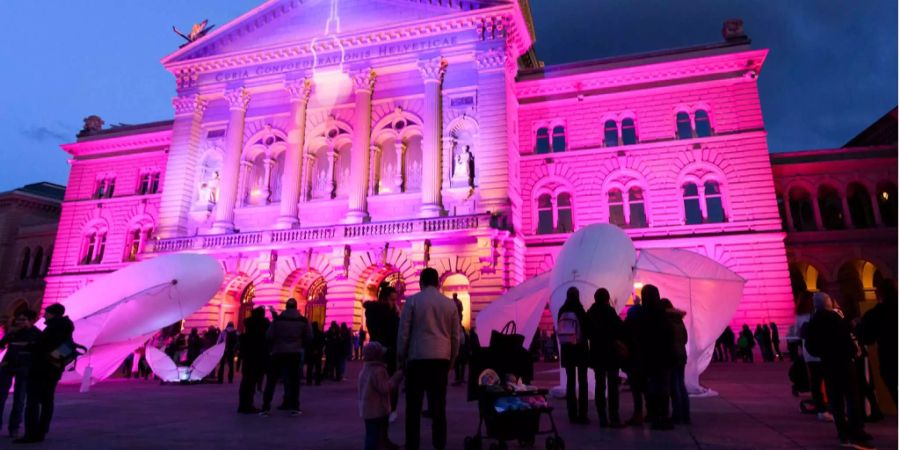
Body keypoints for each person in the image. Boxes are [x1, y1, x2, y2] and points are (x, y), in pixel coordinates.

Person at [397, 268, 460, 450]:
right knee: (439, 408)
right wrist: (452, 360)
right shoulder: (450, 305)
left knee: (413, 408)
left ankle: (412, 444)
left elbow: (404, 333)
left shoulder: (412, 301)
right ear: (438, 283)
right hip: (440, 360)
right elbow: (455, 337)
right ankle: (439, 444)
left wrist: (401, 357)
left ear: (420, 283)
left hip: (417, 359)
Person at [805, 292, 874, 450]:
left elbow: (811, 346)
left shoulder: (813, 321)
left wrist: (823, 353)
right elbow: (847, 338)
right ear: (829, 303)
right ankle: (855, 433)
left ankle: (843, 433)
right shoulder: (835, 318)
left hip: (827, 364)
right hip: (843, 362)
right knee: (852, 398)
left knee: (836, 401)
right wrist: (852, 353)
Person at [16, 303, 74, 443]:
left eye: (46, 312)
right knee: (47, 401)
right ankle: (41, 431)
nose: (44, 315)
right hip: (54, 369)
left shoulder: (53, 328)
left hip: (41, 369)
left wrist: (30, 347)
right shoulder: (66, 326)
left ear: (52, 314)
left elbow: (43, 347)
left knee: (33, 402)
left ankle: (31, 433)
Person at [260, 299, 312, 417]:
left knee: (271, 381)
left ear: (286, 307)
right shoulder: (303, 320)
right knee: (294, 381)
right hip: (295, 352)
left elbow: (269, 335)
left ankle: (265, 407)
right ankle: (295, 407)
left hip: (278, 352)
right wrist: (299, 343)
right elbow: (309, 336)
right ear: (296, 307)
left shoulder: (278, 320)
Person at [635, 284, 675, 430]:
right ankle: (663, 416)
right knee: (663, 387)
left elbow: (638, 337)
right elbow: (670, 335)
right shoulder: (662, 314)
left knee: (651, 387)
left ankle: (654, 415)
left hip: (648, 358)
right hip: (663, 357)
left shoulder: (642, 315)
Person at [586, 288, 625, 428]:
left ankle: (602, 416)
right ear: (607, 298)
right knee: (613, 386)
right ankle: (614, 416)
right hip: (611, 354)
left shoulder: (590, 313)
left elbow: (587, 333)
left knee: (600, 385)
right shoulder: (610, 312)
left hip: (597, 354)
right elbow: (620, 329)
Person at [856, 278, 898, 405]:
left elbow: (867, 338)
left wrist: (858, 326)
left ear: (879, 293)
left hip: (890, 358)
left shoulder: (877, 313)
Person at [0, 310, 40, 439]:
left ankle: (14, 428)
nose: (20, 322)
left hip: (24, 369)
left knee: (19, 400)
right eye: (18, 319)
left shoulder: (37, 334)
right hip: (7, 366)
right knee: (0, 398)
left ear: (31, 321)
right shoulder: (13, 332)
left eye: (23, 319)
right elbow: (1, 345)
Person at [364, 285, 401, 421]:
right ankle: (390, 409)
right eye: (392, 300)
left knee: (377, 382)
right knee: (391, 380)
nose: (394, 303)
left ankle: (381, 408)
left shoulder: (372, 312)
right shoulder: (389, 316)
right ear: (384, 300)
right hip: (387, 351)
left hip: (377, 350)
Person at [358, 342, 404, 450]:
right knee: (375, 435)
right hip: (377, 410)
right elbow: (385, 388)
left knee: (370, 434)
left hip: (367, 410)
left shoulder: (364, 370)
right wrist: (396, 378)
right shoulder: (378, 371)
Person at [796, 291, 831, 422]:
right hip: (822, 353)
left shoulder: (800, 316)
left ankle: (821, 408)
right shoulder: (818, 315)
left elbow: (799, 335)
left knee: (816, 383)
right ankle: (825, 408)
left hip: (810, 353)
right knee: (825, 381)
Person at [557, 286, 590, 425]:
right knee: (583, 382)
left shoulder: (562, 310)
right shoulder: (580, 309)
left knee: (570, 382)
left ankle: (572, 414)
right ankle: (583, 414)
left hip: (567, 350)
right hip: (580, 349)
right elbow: (587, 329)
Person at [661, 299, 690, 425]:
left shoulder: (665, 320)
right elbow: (685, 339)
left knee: (673, 386)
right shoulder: (679, 320)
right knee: (681, 384)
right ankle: (686, 414)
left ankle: (677, 414)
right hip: (681, 354)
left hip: (671, 355)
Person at [237, 307, 270, 413]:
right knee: (252, 382)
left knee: (246, 381)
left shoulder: (248, 328)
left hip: (248, 358)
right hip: (258, 357)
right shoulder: (263, 325)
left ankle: (243, 404)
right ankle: (247, 405)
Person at [623, 295, 647, 426]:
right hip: (644, 361)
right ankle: (650, 412)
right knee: (645, 388)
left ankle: (638, 413)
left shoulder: (628, 326)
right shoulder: (646, 325)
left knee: (636, 390)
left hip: (632, 362)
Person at [305, 322, 325, 386]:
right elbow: (322, 343)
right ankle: (317, 381)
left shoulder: (310, 334)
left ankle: (309, 381)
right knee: (317, 367)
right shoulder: (320, 333)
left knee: (310, 367)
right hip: (318, 352)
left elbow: (308, 343)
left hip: (311, 352)